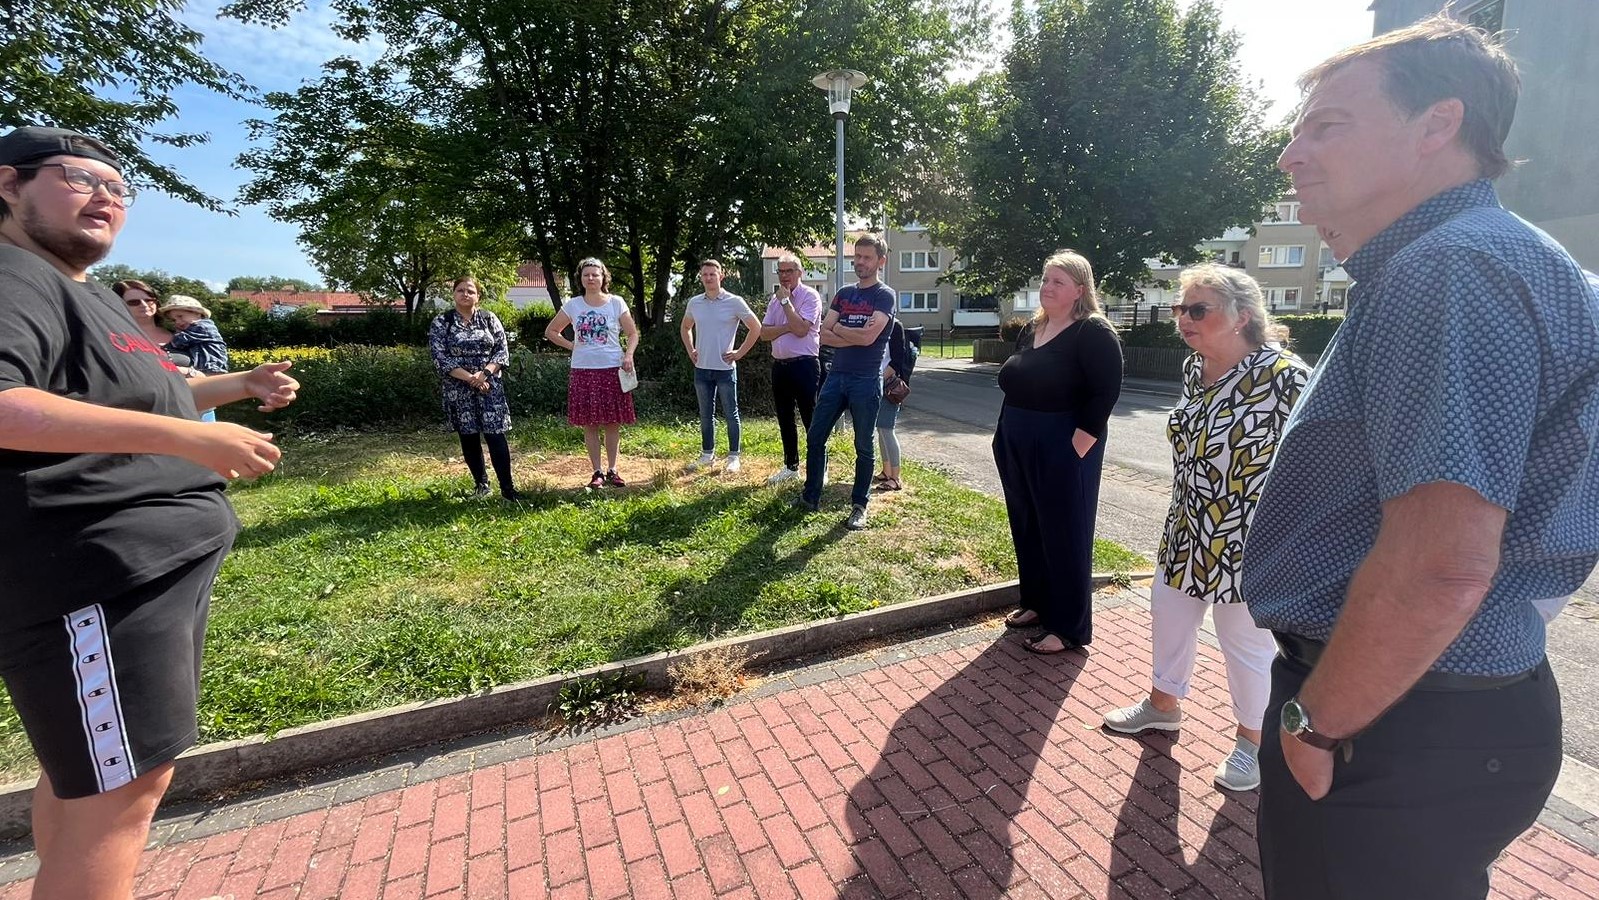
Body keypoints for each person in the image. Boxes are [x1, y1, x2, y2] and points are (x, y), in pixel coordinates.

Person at [1239, 18, 1599, 899]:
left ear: (1438, 125)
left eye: (1326, 126)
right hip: (1434, 707)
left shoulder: (1450, 268)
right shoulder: (1493, 258)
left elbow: (1440, 566)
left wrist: (1316, 724)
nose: (1291, 154)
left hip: (1394, 718)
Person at [0, 125, 299, 900]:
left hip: (135, 575)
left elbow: (134, 393)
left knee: (91, 782)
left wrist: (237, 386)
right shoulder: (12, 277)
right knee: (120, 798)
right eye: (76, 177)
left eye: (118, 188)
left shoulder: (83, 293)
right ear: (8, 186)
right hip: (95, 574)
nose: (105, 195)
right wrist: (191, 444)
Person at [1101, 265, 1307, 793]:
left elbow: (1318, 462)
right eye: (1180, 309)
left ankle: (1252, 742)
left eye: (1198, 309)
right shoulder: (1197, 369)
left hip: (1250, 536)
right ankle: (1163, 706)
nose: (1183, 319)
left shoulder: (1285, 376)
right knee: (1169, 616)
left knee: (1245, 644)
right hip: (1187, 528)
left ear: (1242, 316)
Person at [992, 250, 1122, 654]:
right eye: (1045, 279)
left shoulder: (1093, 332)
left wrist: (1077, 446)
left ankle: (1068, 628)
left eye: (1058, 282)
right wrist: (1004, 436)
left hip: (1063, 444)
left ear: (1080, 290)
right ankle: (1037, 603)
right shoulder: (1033, 328)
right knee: (1028, 526)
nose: (1046, 287)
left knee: (1065, 533)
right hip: (1016, 440)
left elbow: (1105, 392)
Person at [794, 236, 897, 529]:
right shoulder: (843, 293)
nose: (860, 262)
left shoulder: (884, 295)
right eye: (858, 256)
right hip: (836, 376)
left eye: (867, 257)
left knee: (863, 445)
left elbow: (867, 338)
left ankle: (859, 506)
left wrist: (840, 328)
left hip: (866, 380)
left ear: (881, 261)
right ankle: (810, 496)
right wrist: (852, 332)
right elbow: (821, 335)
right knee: (816, 436)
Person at [545, 257, 638, 488]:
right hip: (583, 370)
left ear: (603, 277)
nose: (591, 278)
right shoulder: (573, 305)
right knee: (590, 423)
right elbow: (551, 331)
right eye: (586, 275)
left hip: (612, 368)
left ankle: (613, 470)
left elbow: (633, 333)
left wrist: (628, 355)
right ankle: (596, 472)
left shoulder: (616, 303)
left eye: (595, 274)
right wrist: (573, 346)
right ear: (581, 279)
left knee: (612, 422)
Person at [428, 276, 518, 500]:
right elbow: (440, 358)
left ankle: (508, 490)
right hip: (458, 390)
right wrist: (471, 378)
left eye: (470, 291)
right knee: (468, 437)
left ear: (478, 295)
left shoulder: (489, 319)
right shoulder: (443, 322)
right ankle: (481, 485)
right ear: (453, 294)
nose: (465, 294)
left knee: (496, 436)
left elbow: (501, 351)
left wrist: (484, 373)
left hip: (490, 387)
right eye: (460, 290)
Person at [679, 259, 761, 473]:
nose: (708, 278)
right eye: (704, 274)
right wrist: (690, 350)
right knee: (706, 414)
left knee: (731, 414)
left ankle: (734, 456)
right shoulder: (695, 302)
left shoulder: (734, 301)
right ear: (701, 277)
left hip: (725, 369)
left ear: (721, 276)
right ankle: (707, 454)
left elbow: (755, 327)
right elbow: (686, 327)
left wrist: (739, 353)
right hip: (702, 369)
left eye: (712, 274)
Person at [759, 254, 823, 484]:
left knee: (810, 418)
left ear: (800, 272)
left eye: (789, 271)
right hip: (781, 367)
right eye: (781, 271)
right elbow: (763, 333)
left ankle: (819, 469)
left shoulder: (809, 296)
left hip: (804, 365)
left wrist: (787, 304)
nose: (784, 276)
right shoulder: (774, 300)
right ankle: (791, 467)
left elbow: (801, 331)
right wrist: (788, 325)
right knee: (785, 419)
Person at [872, 318, 918, 492]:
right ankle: (886, 471)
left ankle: (896, 478)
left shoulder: (895, 325)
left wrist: (880, 381)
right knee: (880, 428)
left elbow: (896, 361)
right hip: (876, 383)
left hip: (888, 384)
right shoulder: (873, 321)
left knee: (887, 429)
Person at [157, 295, 228, 376]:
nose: (178, 322)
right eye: (174, 320)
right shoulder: (194, 328)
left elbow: (178, 342)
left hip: (212, 366)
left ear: (197, 313)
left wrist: (162, 345)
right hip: (205, 367)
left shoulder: (203, 327)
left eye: (180, 316)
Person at [111, 279, 176, 354]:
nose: (144, 305)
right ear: (120, 305)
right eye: (134, 302)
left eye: (148, 300)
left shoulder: (181, 334)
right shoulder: (116, 338)